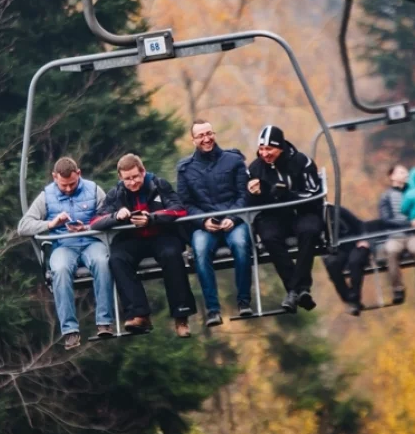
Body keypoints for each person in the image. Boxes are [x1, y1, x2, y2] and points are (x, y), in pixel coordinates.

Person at [91, 154, 197, 337]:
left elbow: (179, 209)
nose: (132, 182)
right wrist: (115, 216)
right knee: (117, 259)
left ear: (143, 171)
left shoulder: (159, 185)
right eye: (127, 179)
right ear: (120, 178)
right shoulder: (116, 193)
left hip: (162, 235)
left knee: (171, 255)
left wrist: (152, 218)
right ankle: (138, 314)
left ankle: (181, 316)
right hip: (133, 239)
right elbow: (95, 221)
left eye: (135, 177)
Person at [18, 157, 115, 349]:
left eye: (72, 184)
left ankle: (104, 321)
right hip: (63, 245)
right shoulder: (47, 196)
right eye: (64, 185)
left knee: (103, 263)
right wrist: (51, 224)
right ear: (54, 177)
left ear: (78, 174)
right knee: (60, 270)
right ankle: (70, 331)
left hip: (91, 241)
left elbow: (108, 217)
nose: (69, 189)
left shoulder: (94, 190)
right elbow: (23, 226)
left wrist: (87, 226)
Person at [176, 119, 252, 326]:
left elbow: (243, 194)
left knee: (241, 245)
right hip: (205, 225)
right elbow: (186, 203)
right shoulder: (185, 169)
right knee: (200, 251)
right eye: (201, 136)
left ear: (214, 134)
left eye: (209, 133)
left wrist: (232, 217)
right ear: (193, 140)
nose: (206, 139)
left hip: (233, 221)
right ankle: (212, 310)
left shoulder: (233, 160)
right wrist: (203, 221)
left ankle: (244, 301)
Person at [246, 125, 324, 313]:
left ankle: (294, 290)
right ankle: (300, 290)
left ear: (280, 147)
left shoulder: (301, 161)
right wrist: (254, 193)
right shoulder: (255, 168)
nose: (265, 154)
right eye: (261, 149)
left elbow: (314, 193)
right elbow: (252, 203)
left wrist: (288, 195)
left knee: (309, 231)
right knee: (269, 237)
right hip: (275, 216)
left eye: (269, 149)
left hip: (303, 211)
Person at [378, 164, 415, 307]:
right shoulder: (386, 196)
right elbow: (386, 219)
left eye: (406, 173)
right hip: (396, 235)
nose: (405, 175)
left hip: (414, 235)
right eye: (401, 172)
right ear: (392, 176)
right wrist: (409, 224)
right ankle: (398, 289)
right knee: (391, 251)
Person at [322, 206, 370, 316]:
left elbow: (359, 223)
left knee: (355, 261)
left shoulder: (336, 210)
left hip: (355, 243)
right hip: (338, 249)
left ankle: (355, 296)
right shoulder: (315, 218)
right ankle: (348, 297)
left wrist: (363, 239)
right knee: (331, 264)